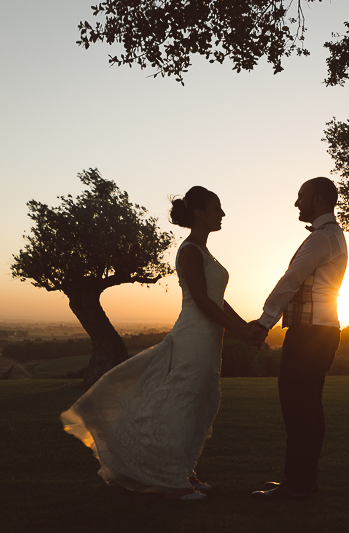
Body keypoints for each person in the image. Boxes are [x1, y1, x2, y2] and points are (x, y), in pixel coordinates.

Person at [61, 186, 254, 501]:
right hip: (193, 338)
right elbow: (203, 301)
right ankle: (174, 482)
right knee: (183, 405)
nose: (222, 214)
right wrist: (240, 331)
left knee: (202, 405)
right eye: (216, 207)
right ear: (199, 213)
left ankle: (186, 472)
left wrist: (244, 326)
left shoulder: (204, 252)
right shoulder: (190, 250)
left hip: (208, 341)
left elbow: (218, 299)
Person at [248, 177, 348, 501]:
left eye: (300, 197)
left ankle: (298, 485)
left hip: (310, 335)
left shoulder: (322, 238)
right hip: (322, 332)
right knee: (308, 408)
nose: (296, 203)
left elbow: (290, 280)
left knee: (297, 409)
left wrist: (264, 322)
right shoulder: (331, 235)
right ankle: (302, 482)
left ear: (318, 200)